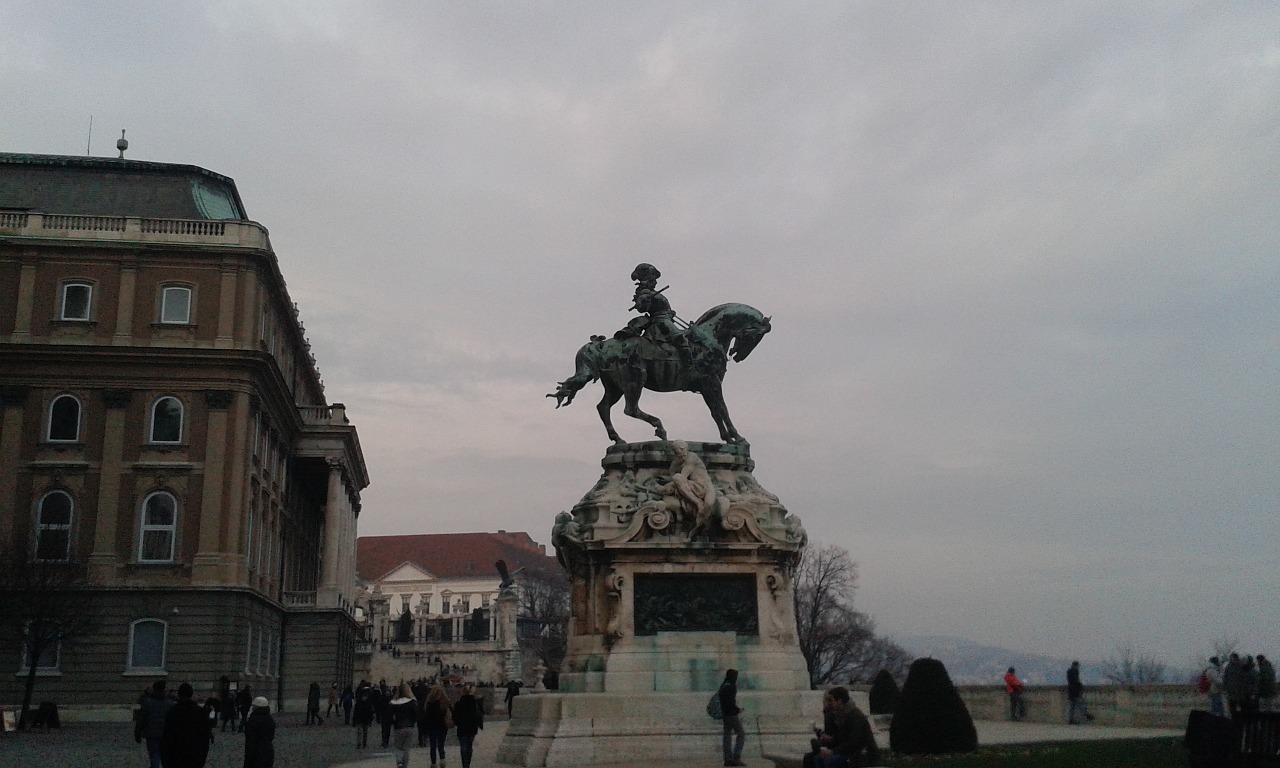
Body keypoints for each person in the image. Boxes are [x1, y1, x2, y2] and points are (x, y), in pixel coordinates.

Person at [816, 686, 878, 768]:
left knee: (831, 761)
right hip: (851, 752)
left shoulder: (854, 716)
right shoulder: (842, 715)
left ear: (839, 701)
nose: (831, 703)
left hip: (862, 754)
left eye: (832, 700)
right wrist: (832, 739)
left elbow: (854, 742)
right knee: (818, 758)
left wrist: (833, 751)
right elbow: (843, 735)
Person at [161, 682, 213, 768]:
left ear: (179, 694)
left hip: (176, 755)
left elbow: (167, 737)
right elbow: (205, 736)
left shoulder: (172, 712)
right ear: (191, 694)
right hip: (195, 755)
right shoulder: (200, 712)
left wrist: (165, 760)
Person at [138, 679, 173, 768]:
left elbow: (141, 718)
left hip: (151, 733)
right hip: (165, 734)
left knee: (154, 756)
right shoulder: (169, 703)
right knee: (164, 756)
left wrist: (138, 731)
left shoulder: (147, 702)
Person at [453, 683, 484, 768]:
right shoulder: (474, 702)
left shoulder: (458, 703)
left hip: (462, 728)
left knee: (463, 746)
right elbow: (479, 714)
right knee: (469, 746)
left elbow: (454, 716)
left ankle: (464, 765)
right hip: (472, 728)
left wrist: (458, 723)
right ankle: (468, 764)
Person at [719, 668, 746, 767]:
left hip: (725, 715)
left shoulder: (723, 685)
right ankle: (736, 758)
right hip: (731, 715)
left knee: (727, 736)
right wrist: (738, 710)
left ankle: (727, 759)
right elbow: (731, 704)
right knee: (741, 734)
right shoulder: (731, 687)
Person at [422, 683, 454, 766]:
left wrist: (424, 728)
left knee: (433, 745)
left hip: (432, 726)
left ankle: (433, 763)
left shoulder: (429, 702)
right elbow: (453, 710)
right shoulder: (444, 701)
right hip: (442, 725)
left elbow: (426, 716)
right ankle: (442, 759)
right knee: (441, 744)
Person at [388, 683, 418, 768]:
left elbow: (389, 715)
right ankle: (404, 764)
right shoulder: (411, 702)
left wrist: (393, 722)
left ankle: (399, 762)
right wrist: (412, 722)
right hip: (409, 726)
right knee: (406, 748)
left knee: (398, 747)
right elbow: (416, 714)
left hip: (398, 726)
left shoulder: (394, 702)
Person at [243, 695, 275, 768]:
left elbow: (250, 743)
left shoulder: (252, 721)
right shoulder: (270, 720)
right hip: (268, 752)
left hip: (256, 754)